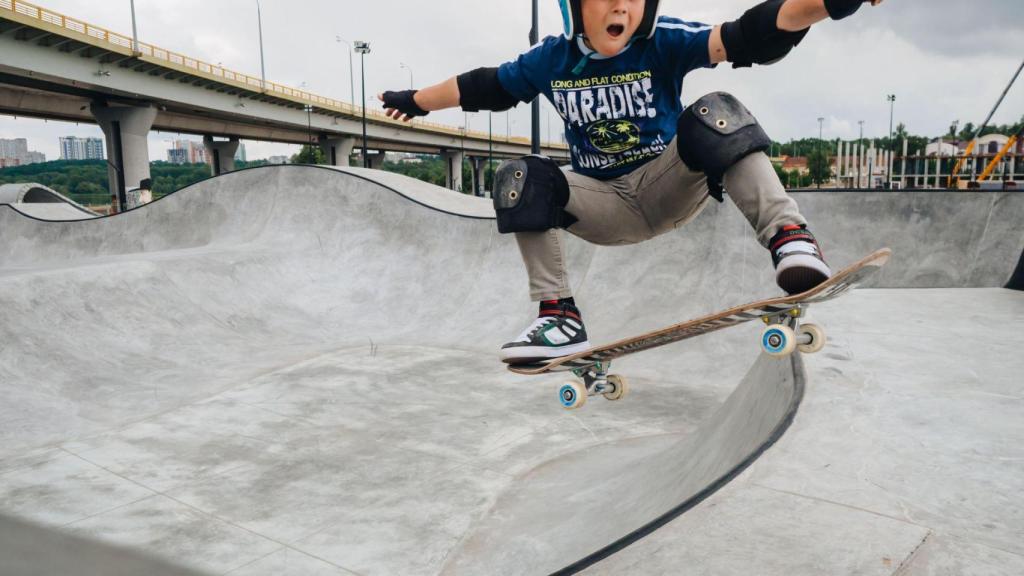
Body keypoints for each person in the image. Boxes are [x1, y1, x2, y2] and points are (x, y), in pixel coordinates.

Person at [379, 0, 884, 364]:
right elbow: (483, 87)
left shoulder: (663, 42)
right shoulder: (550, 61)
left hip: (668, 185)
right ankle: (559, 316)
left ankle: (789, 238)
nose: (622, 7)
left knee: (717, 110)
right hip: (602, 205)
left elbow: (747, 34)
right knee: (521, 174)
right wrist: (417, 99)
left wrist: (826, 4)